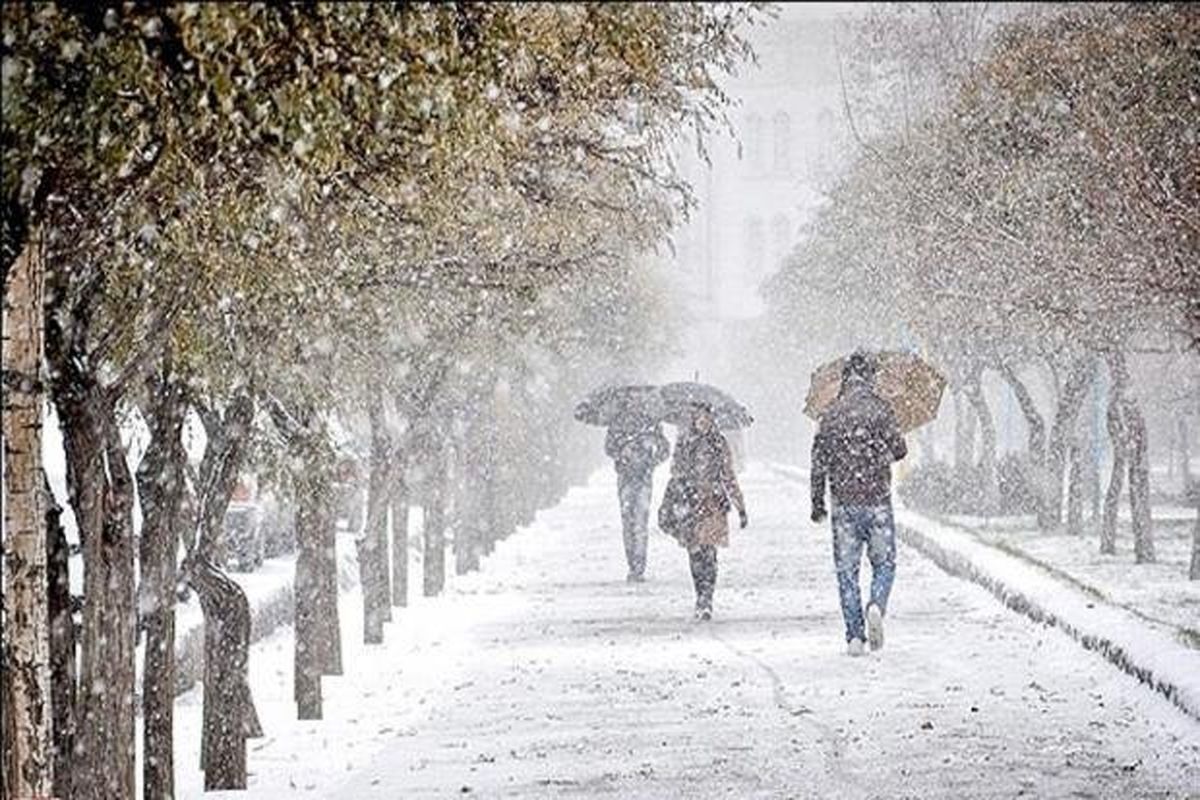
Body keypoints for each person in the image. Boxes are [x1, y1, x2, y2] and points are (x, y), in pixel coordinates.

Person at [811, 350, 907, 655]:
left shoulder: (831, 413)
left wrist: (817, 503)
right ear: (870, 377)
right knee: (885, 563)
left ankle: (854, 635)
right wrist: (879, 448)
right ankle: (876, 604)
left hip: (843, 502)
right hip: (877, 497)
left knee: (846, 571)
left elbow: (818, 462)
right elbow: (900, 451)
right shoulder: (881, 409)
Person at [663, 403, 747, 620]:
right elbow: (675, 472)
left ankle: (706, 598)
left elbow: (728, 475)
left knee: (709, 553)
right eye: (699, 418)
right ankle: (700, 594)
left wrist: (740, 506)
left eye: (706, 418)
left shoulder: (719, 443)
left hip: (713, 505)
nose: (703, 422)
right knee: (695, 552)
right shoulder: (684, 443)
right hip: (690, 504)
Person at [605, 415, 670, 582]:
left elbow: (664, 448)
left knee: (640, 522)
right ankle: (633, 563)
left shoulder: (651, 422)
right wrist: (621, 453)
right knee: (628, 521)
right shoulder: (618, 422)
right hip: (626, 477)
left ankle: (638, 566)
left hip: (643, 477)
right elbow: (608, 448)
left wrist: (651, 461)